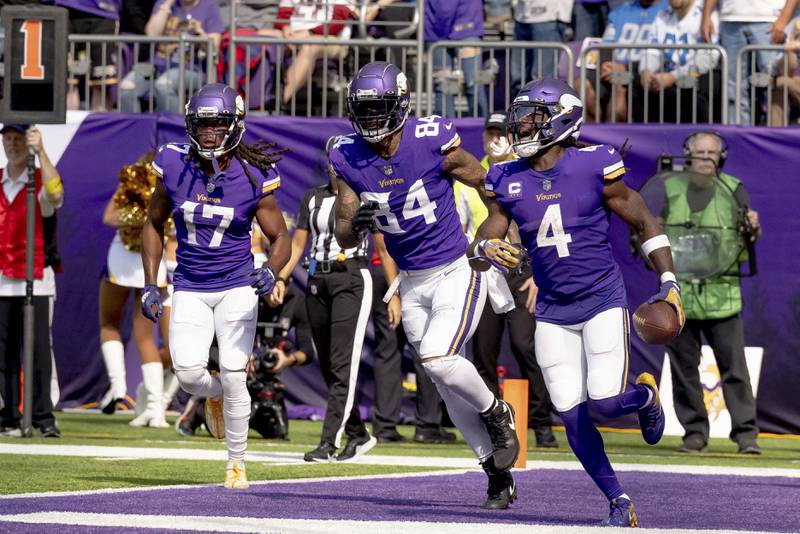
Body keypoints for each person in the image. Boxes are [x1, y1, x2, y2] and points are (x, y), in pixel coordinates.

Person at [471, 78, 683, 526]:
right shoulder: (505, 176)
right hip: (552, 308)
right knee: (571, 415)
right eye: (519, 118)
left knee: (605, 402)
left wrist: (668, 280)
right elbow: (486, 234)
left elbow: (644, 219)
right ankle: (618, 500)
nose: (520, 127)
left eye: (531, 118)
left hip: (601, 299)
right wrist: (483, 249)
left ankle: (645, 397)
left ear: (561, 119)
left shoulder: (594, 164)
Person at [331, 61, 520, 510]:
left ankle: (497, 411)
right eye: (365, 110)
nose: (372, 119)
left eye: (380, 109)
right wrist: (353, 223)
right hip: (412, 281)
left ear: (400, 104)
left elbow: (491, 187)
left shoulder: (431, 138)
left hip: (458, 268)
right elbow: (343, 231)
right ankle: (496, 474)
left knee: (438, 356)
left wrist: (496, 237)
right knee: (446, 383)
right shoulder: (344, 154)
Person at [140, 83, 291, 489]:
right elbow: (153, 224)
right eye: (202, 123)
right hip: (188, 282)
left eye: (218, 123)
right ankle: (216, 393)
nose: (209, 131)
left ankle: (237, 463)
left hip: (237, 285)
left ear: (235, 123)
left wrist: (272, 270)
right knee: (189, 373)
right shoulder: (173, 162)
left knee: (233, 369)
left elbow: (281, 238)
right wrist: (150, 284)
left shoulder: (253, 171)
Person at [269, 136, 397, 462]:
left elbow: (384, 249)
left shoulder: (364, 197)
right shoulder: (312, 198)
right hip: (316, 280)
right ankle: (357, 433)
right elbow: (298, 246)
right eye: (332, 160)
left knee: (342, 364)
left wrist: (394, 294)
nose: (335, 167)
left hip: (351, 278)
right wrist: (282, 277)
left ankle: (330, 443)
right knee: (327, 364)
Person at [462, 112, 558, 449]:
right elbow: (461, 229)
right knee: (483, 353)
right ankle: (495, 428)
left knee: (526, 347)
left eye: (501, 133)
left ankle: (543, 425)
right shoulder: (470, 177)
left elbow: (545, 226)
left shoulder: (527, 170)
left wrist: (540, 275)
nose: (495, 139)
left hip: (522, 270)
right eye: (490, 133)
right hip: (485, 269)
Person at [664, 131, 761, 454]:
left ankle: (746, 435)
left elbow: (745, 240)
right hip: (681, 296)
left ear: (721, 157)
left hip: (722, 295)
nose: (705, 158)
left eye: (711, 152)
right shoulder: (668, 186)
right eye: (699, 152)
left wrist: (753, 229)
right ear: (688, 156)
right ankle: (695, 434)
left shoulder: (734, 189)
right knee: (684, 371)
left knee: (735, 369)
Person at [97, 152, 173, 427]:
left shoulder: (134, 177)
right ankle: (155, 408)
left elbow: (108, 217)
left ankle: (119, 387)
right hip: (148, 260)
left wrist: (139, 215)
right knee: (145, 337)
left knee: (109, 324)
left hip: (141, 259)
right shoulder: (170, 181)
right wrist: (144, 215)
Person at [0, 124, 64, 438]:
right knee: (4, 353)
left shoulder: (38, 181)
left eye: (17, 139)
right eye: (7, 139)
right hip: (1, 279)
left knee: (38, 351)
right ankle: (8, 414)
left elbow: (56, 194)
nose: (12, 145)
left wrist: (41, 153)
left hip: (34, 277)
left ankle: (42, 416)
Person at [119, 0, 224, 113]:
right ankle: (135, 129)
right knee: (127, 87)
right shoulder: (164, 4)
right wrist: (167, 5)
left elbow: (214, 45)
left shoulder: (209, 6)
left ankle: (173, 129)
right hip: (156, 65)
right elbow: (151, 34)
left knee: (163, 85)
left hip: (191, 69)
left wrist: (200, 34)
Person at [701, 0, 795, 124]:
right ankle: (738, 135)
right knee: (733, 87)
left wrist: (783, 20)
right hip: (730, 20)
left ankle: (776, 136)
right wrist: (706, 16)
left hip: (768, 19)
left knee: (774, 83)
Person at [581, 0, 668, 123]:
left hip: (643, 72)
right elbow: (606, 45)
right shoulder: (620, 11)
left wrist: (627, 68)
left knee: (619, 85)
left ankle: (614, 139)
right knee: (582, 84)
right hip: (613, 69)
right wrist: (606, 65)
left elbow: (666, 55)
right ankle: (591, 136)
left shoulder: (668, 11)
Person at [639, 0, 722, 123]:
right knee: (638, 86)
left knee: (702, 85)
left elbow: (708, 58)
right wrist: (646, 71)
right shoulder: (662, 14)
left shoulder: (707, 15)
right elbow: (652, 50)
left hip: (695, 79)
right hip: (666, 78)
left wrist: (673, 77)